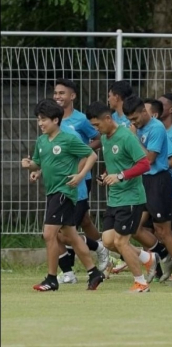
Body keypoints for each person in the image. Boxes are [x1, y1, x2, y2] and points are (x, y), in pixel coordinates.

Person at [22, 99, 105, 291]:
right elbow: (38, 162)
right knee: (72, 237)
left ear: (56, 120)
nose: (40, 123)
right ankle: (94, 272)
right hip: (52, 192)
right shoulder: (41, 141)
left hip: (64, 191)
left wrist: (80, 175)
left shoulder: (68, 139)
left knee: (49, 234)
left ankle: (51, 278)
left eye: (44, 119)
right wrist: (31, 167)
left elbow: (91, 155)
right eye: (39, 119)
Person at [123, 96, 172, 286]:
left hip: (158, 182)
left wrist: (133, 137)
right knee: (134, 227)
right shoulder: (138, 128)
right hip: (143, 182)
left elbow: (149, 159)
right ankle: (163, 256)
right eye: (130, 120)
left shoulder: (156, 128)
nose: (133, 123)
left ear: (144, 112)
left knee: (164, 231)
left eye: (135, 119)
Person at [86, 101, 153, 292]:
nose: (96, 130)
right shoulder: (106, 139)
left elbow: (144, 164)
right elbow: (116, 163)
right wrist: (107, 175)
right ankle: (148, 258)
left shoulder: (126, 136)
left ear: (108, 118)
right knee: (107, 241)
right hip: (115, 198)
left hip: (131, 198)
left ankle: (141, 282)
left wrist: (121, 176)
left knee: (120, 242)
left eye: (97, 125)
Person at [52, 78, 108, 275]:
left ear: (72, 96)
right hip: (61, 179)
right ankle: (103, 249)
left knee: (68, 228)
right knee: (82, 221)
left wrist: (83, 152)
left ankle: (71, 269)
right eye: (56, 93)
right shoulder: (52, 120)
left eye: (62, 93)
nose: (58, 96)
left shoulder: (81, 120)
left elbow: (99, 138)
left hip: (81, 178)